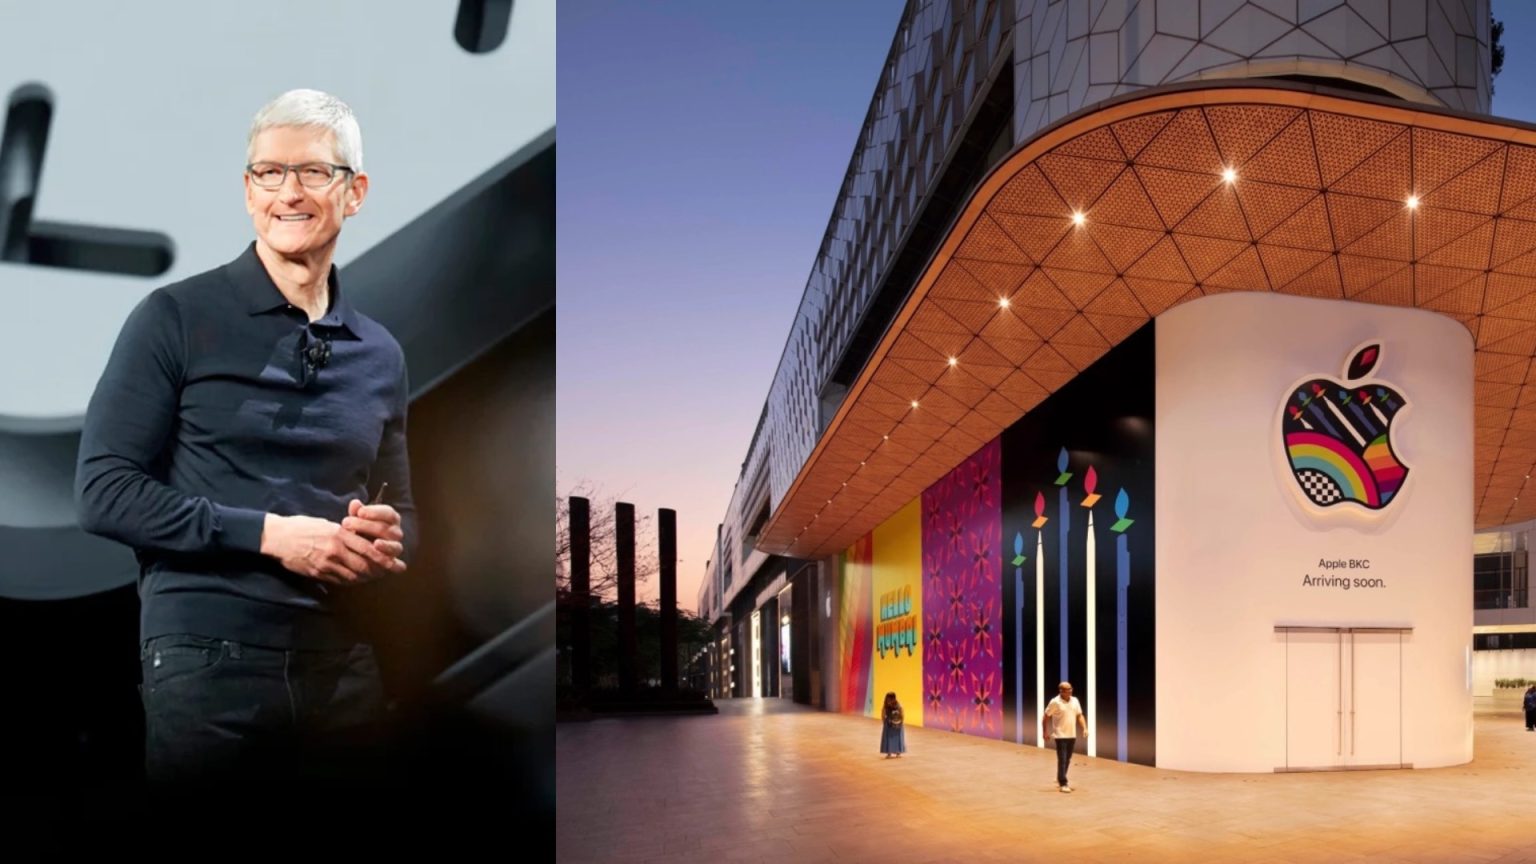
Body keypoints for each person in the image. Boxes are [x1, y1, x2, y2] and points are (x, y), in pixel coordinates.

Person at [75, 89, 415, 807]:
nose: (288, 193)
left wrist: (387, 538)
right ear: (247, 190)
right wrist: (270, 536)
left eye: (313, 173)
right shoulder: (174, 318)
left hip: (345, 666)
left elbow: (404, 511)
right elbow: (103, 490)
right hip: (208, 662)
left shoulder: (381, 353)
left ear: (354, 192)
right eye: (269, 173)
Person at [1042, 681, 1086, 792]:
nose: (1070, 691)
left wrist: (1085, 728)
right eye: (1067, 689)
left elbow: (1079, 715)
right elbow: (1046, 717)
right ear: (1061, 691)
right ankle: (1063, 783)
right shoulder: (1055, 702)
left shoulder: (1075, 700)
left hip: (1072, 734)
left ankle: (1060, 777)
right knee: (1062, 759)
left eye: (1071, 688)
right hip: (1060, 735)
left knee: (1067, 759)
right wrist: (1045, 732)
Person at [880, 691, 906, 758]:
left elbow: (902, 713)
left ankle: (896, 752)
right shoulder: (897, 704)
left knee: (894, 738)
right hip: (893, 723)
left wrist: (901, 722)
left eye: (889, 698)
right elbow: (883, 714)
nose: (888, 699)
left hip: (894, 724)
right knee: (893, 738)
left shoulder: (897, 705)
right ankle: (892, 753)